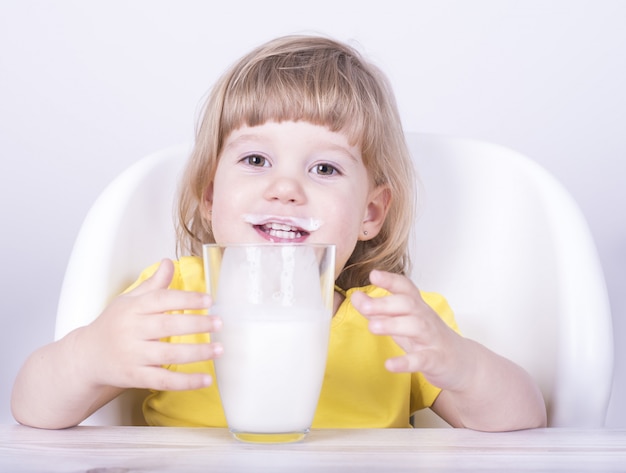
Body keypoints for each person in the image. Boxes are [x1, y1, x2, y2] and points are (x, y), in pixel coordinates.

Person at [11, 35, 547, 431]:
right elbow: (32, 411)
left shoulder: (392, 320)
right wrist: (88, 356)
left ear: (371, 213)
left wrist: (460, 363)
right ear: (210, 195)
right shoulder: (175, 304)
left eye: (324, 170)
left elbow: (524, 421)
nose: (286, 188)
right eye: (256, 159)